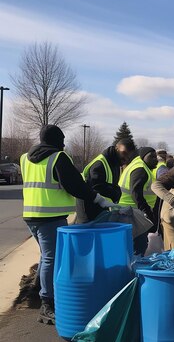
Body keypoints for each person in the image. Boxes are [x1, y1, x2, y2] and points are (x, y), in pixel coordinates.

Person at [21, 125, 116, 324]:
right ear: (56, 139)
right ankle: (47, 304)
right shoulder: (58, 157)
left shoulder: (25, 158)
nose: (64, 143)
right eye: (62, 139)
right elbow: (75, 185)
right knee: (51, 258)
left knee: (46, 255)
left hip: (31, 215)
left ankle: (37, 292)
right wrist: (98, 199)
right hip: (51, 217)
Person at [78, 141, 134, 221]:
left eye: (129, 156)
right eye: (124, 153)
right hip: (88, 210)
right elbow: (95, 186)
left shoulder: (114, 163)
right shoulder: (100, 163)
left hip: (101, 208)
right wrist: (115, 192)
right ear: (116, 148)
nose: (126, 158)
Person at [118, 147, 158, 256]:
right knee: (138, 246)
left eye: (156, 157)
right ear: (143, 157)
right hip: (132, 213)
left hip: (129, 211)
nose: (156, 159)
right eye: (152, 157)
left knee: (134, 245)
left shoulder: (139, 166)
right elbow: (136, 193)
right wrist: (147, 213)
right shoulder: (140, 169)